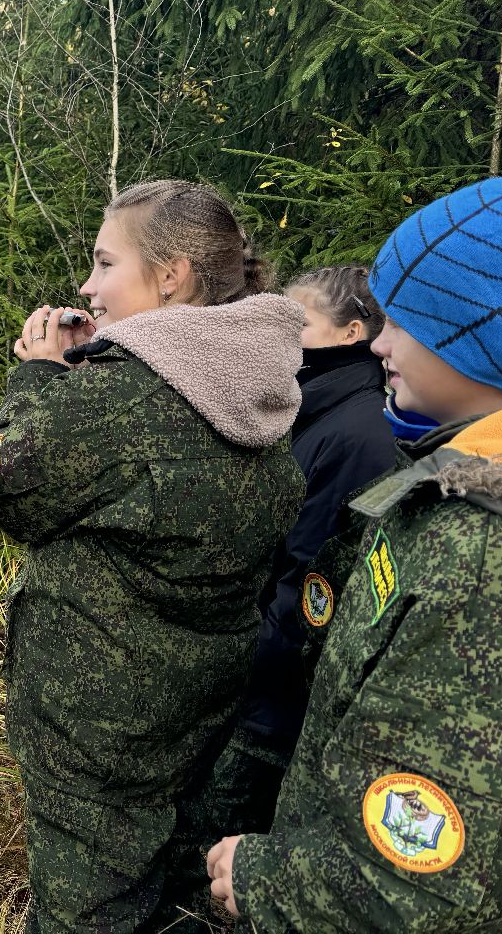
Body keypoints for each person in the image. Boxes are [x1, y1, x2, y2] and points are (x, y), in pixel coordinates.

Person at [0, 180, 306, 932]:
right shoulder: (259, 385)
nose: (88, 286)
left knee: (88, 909)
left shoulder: (119, 399)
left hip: (101, 729)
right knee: (174, 895)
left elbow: (1, 483)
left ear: (172, 274)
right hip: (201, 707)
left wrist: (39, 376)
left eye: (104, 262)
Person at [207, 177, 502, 929]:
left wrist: (260, 877)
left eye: (410, 322)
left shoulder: (493, 555)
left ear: (494, 342)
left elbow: (423, 885)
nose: (381, 343)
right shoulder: (469, 486)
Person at [204, 266, 395, 836]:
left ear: (350, 333)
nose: (280, 337)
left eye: (299, 323)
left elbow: (306, 587)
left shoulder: (359, 433)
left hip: (268, 711)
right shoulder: (307, 410)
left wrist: (233, 673)